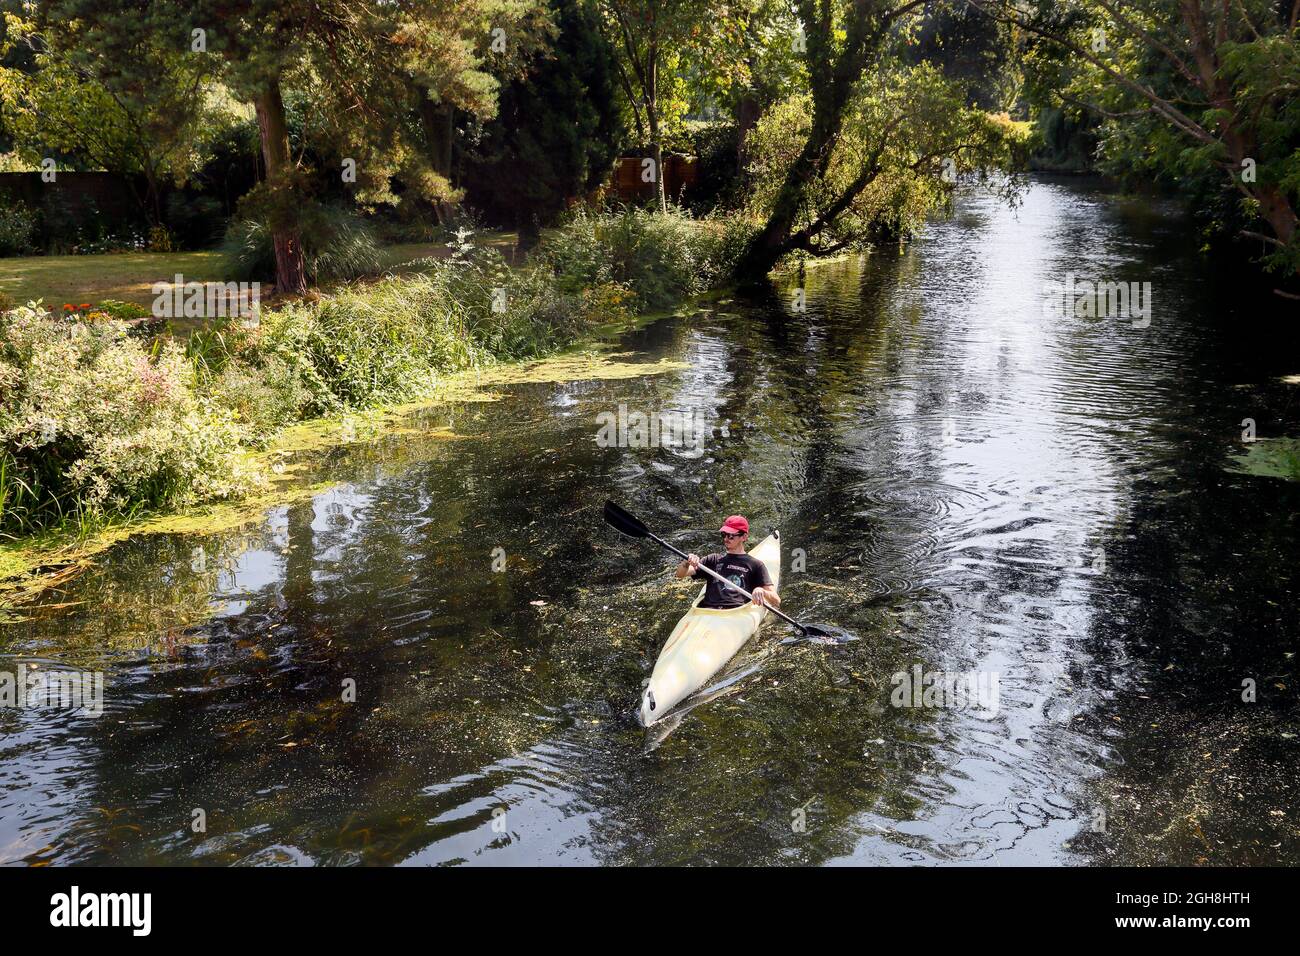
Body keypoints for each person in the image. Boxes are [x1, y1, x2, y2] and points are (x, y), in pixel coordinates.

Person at [675, 515, 781, 610]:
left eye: (731, 536)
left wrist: (761, 591)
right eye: (724, 534)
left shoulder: (755, 565)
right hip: (706, 612)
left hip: (736, 613)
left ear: (744, 537)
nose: (726, 539)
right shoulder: (713, 560)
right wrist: (686, 562)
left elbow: (776, 601)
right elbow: (680, 574)